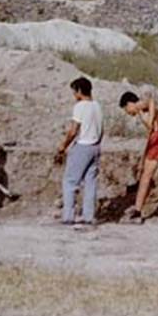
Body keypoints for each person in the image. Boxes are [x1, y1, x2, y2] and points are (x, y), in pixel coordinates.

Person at [119, 91, 158, 223]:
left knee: (145, 177)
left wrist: (150, 119)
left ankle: (137, 213)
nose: (128, 113)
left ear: (129, 103)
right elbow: (150, 133)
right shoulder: (144, 113)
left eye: (126, 109)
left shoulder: (140, 107)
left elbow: (150, 101)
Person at [55, 77, 103, 226]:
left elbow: (73, 131)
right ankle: (89, 216)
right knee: (90, 182)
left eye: (74, 92)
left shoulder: (80, 106)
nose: (74, 95)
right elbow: (102, 129)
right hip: (96, 146)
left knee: (70, 181)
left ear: (80, 91)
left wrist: (63, 146)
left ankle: (68, 216)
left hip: (83, 145)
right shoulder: (97, 106)